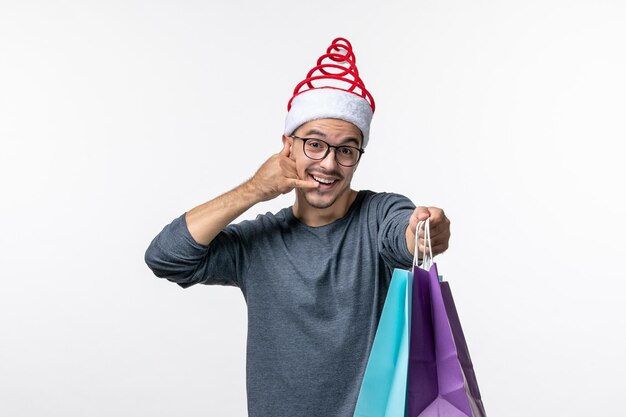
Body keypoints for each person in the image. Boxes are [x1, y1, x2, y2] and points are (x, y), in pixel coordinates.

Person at [144, 37, 451, 417]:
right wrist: (255, 188)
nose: (329, 164)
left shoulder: (377, 214)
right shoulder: (257, 242)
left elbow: (402, 235)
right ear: (287, 147)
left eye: (346, 150)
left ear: (357, 157)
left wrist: (423, 232)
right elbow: (165, 257)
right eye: (315, 145)